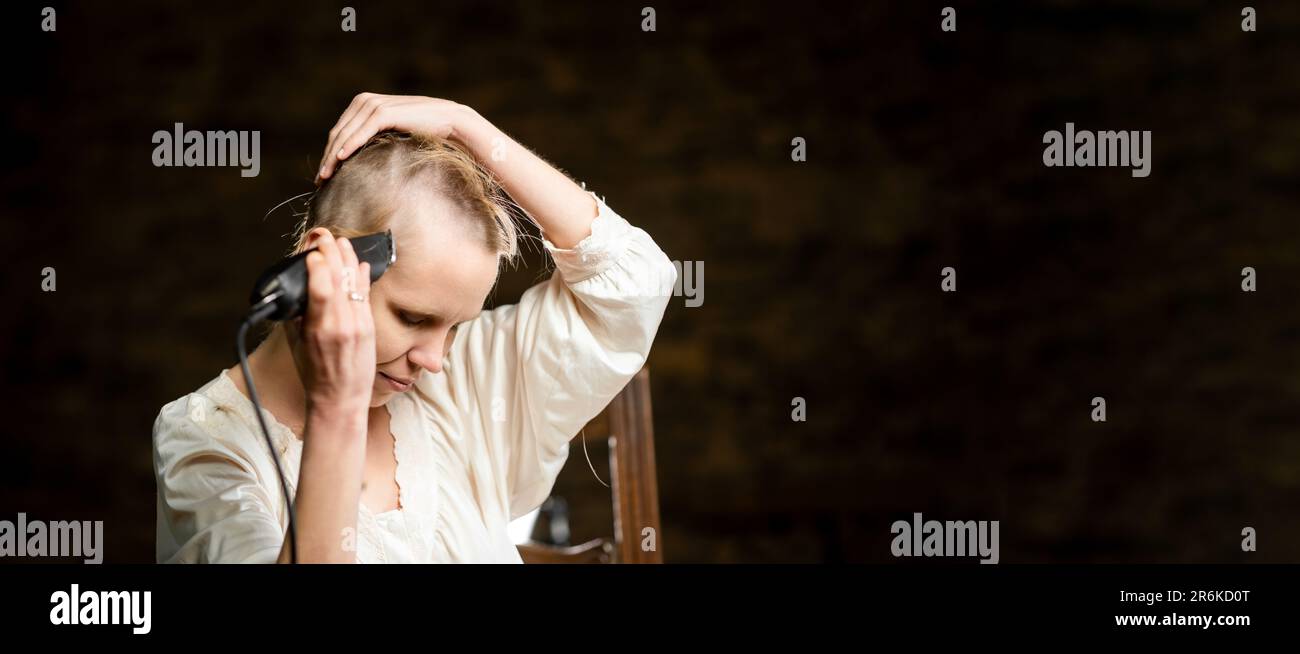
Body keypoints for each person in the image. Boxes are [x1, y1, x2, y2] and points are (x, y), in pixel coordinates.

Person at [152, 94, 676, 562]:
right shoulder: (205, 440)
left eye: (453, 327)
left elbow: (633, 284)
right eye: (413, 318)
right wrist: (338, 409)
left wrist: (467, 126)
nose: (435, 358)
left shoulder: (466, 377)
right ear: (322, 265)